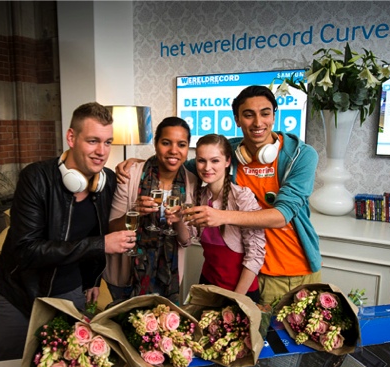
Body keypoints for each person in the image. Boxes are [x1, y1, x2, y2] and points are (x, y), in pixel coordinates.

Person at [116, 86, 321, 306]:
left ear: (274, 115)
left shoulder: (300, 155)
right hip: (240, 271)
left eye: (265, 113)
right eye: (248, 114)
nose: (258, 122)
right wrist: (141, 163)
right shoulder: (229, 151)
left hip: (287, 269)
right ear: (237, 119)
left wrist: (220, 216)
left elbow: (282, 215)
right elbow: (178, 163)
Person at [0, 102, 136, 361]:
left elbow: (93, 230)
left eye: (108, 142)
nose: (102, 152)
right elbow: (26, 250)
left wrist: (91, 280)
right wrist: (101, 245)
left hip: (70, 293)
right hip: (20, 293)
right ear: (71, 138)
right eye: (93, 141)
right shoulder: (36, 178)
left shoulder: (107, 182)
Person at [104, 117, 196, 305]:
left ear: (187, 148)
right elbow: (111, 228)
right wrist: (135, 212)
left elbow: (186, 241)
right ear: (155, 144)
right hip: (126, 276)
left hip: (167, 278)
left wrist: (178, 221)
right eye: (166, 143)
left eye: (181, 144)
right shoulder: (130, 175)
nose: (174, 150)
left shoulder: (192, 182)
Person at [190, 134, 266, 302]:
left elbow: (256, 255)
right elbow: (187, 239)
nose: (207, 167)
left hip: (240, 292)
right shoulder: (198, 196)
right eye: (201, 160)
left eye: (215, 160)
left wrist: (236, 300)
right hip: (207, 286)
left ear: (227, 161)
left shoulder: (242, 197)